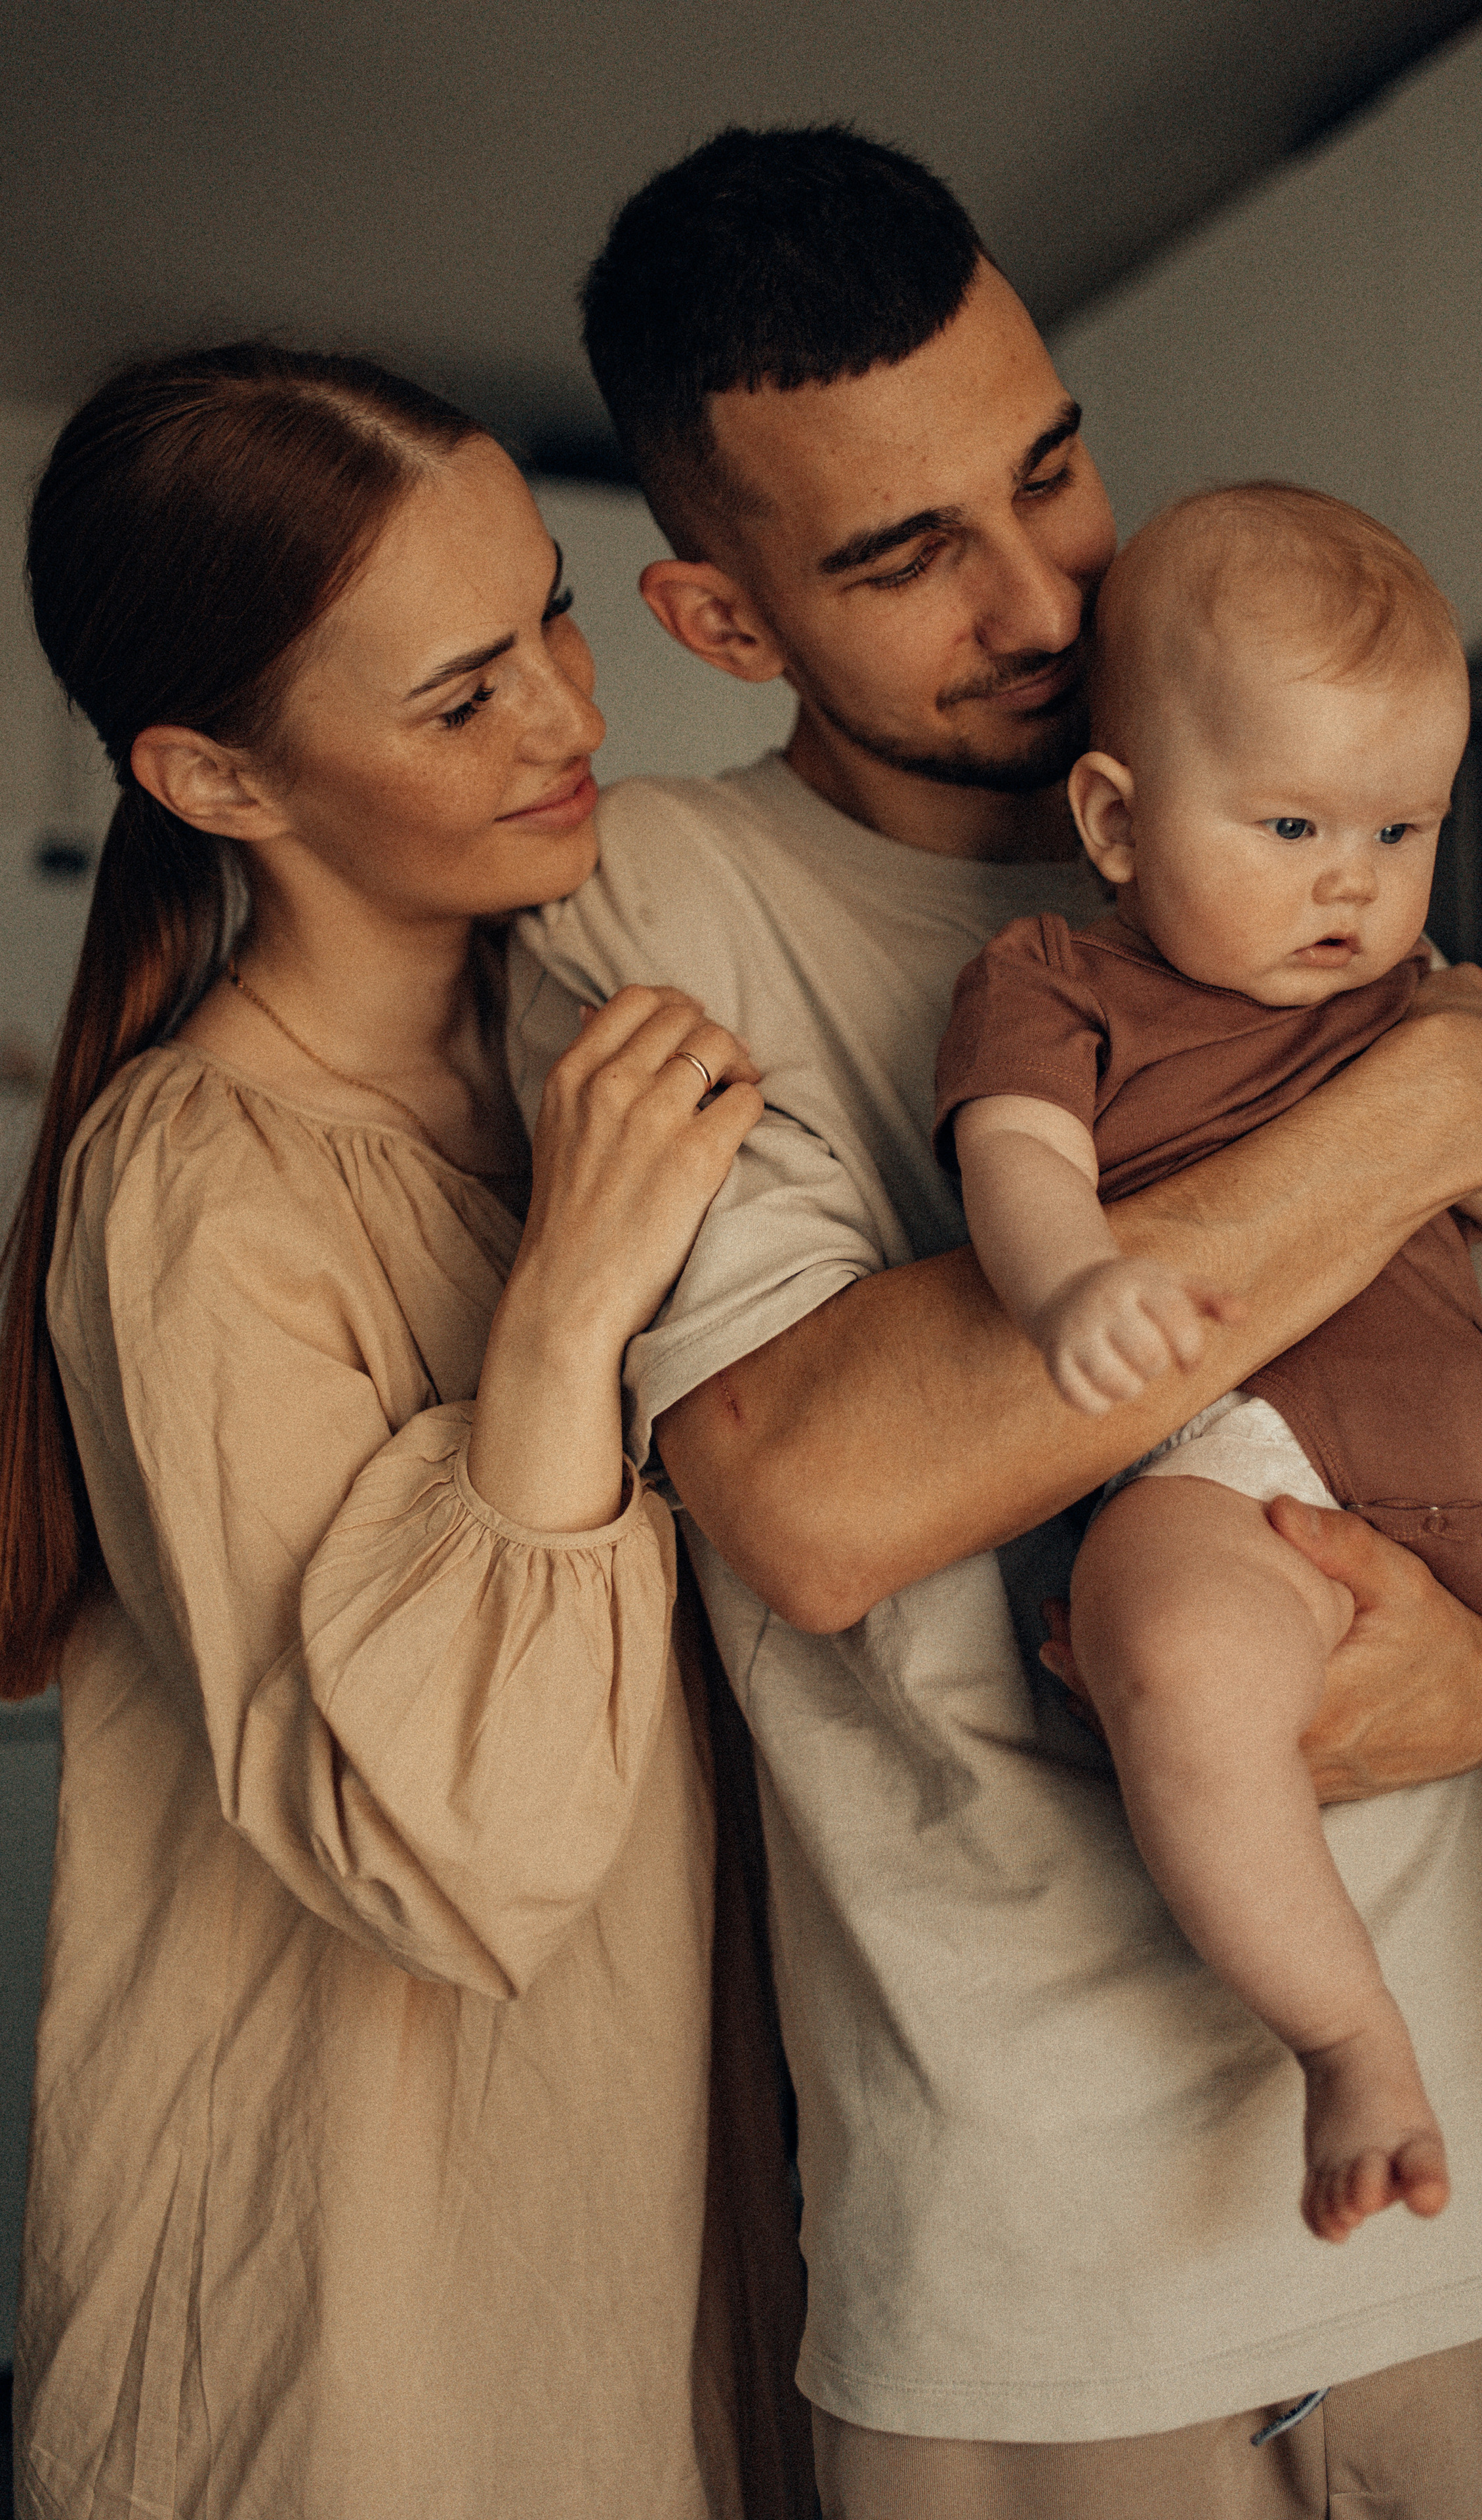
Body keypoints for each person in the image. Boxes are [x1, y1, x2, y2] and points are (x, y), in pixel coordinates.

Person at [506, 127, 1482, 2518]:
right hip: (1044, 2281)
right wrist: (1421, 1102)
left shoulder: (1306, 809)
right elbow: (815, 1501)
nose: (1045, 592)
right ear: (723, 621)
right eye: (903, 553)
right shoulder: (655, 902)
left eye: (1048, 469)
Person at [0, 345, 814, 2520]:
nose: (569, 713)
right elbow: (444, 1847)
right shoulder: (198, 1187)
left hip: (671, 2234)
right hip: (370, 2335)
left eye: (553, 613)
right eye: (462, 700)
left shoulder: (588, 1037)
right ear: (218, 779)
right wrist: (558, 1319)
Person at [934, 480, 1482, 2248]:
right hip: (1232, 1463)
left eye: (1399, 828)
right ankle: (1350, 2040)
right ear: (1117, 821)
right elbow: (1016, 1155)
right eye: (1289, 825)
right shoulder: (1055, 981)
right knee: (1182, 1672)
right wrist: (1068, 1286)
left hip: (1481, 1435)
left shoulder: (1414, 992)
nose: (1352, 880)